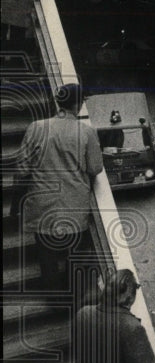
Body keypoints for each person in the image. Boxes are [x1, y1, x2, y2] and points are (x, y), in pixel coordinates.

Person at [16, 83, 104, 292]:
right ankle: (73, 296)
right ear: (79, 104)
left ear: (58, 102)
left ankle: (53, 296)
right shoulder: (87, 132)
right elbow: (95, 167)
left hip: (42, 206)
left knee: (47, 258)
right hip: (74, 208)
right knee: (75, 256)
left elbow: (21, 170)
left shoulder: (36, 127)